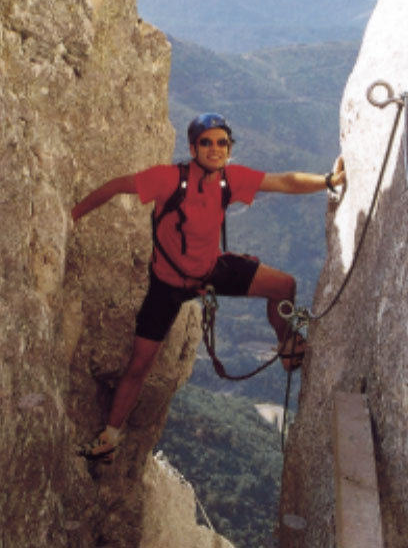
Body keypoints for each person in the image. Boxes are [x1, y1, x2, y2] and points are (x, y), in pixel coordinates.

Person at [73, 113, 345, 462]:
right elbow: (113, 187)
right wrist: (72, 216)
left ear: (229, 148)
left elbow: (285, 182)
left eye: (222, 143)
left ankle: (286, 343)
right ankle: (110, 437)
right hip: (167, 285)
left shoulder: (229, 180)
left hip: (209, 271)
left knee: (284, 286)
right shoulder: (168, 179)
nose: (215, 149)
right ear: (192, 147)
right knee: (140, 365)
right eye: (207, 142)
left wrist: (328, 180)